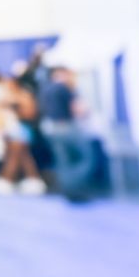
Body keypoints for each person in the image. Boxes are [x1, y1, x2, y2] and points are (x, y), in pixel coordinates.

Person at [38, 67, 96, 201]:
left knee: (63, 161)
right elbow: (78, 110)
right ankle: (75, 186)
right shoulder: (64, 88)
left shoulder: (45, 89)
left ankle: (69, 190)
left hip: (50, 128)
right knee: (87, 158)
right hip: (66, 127)